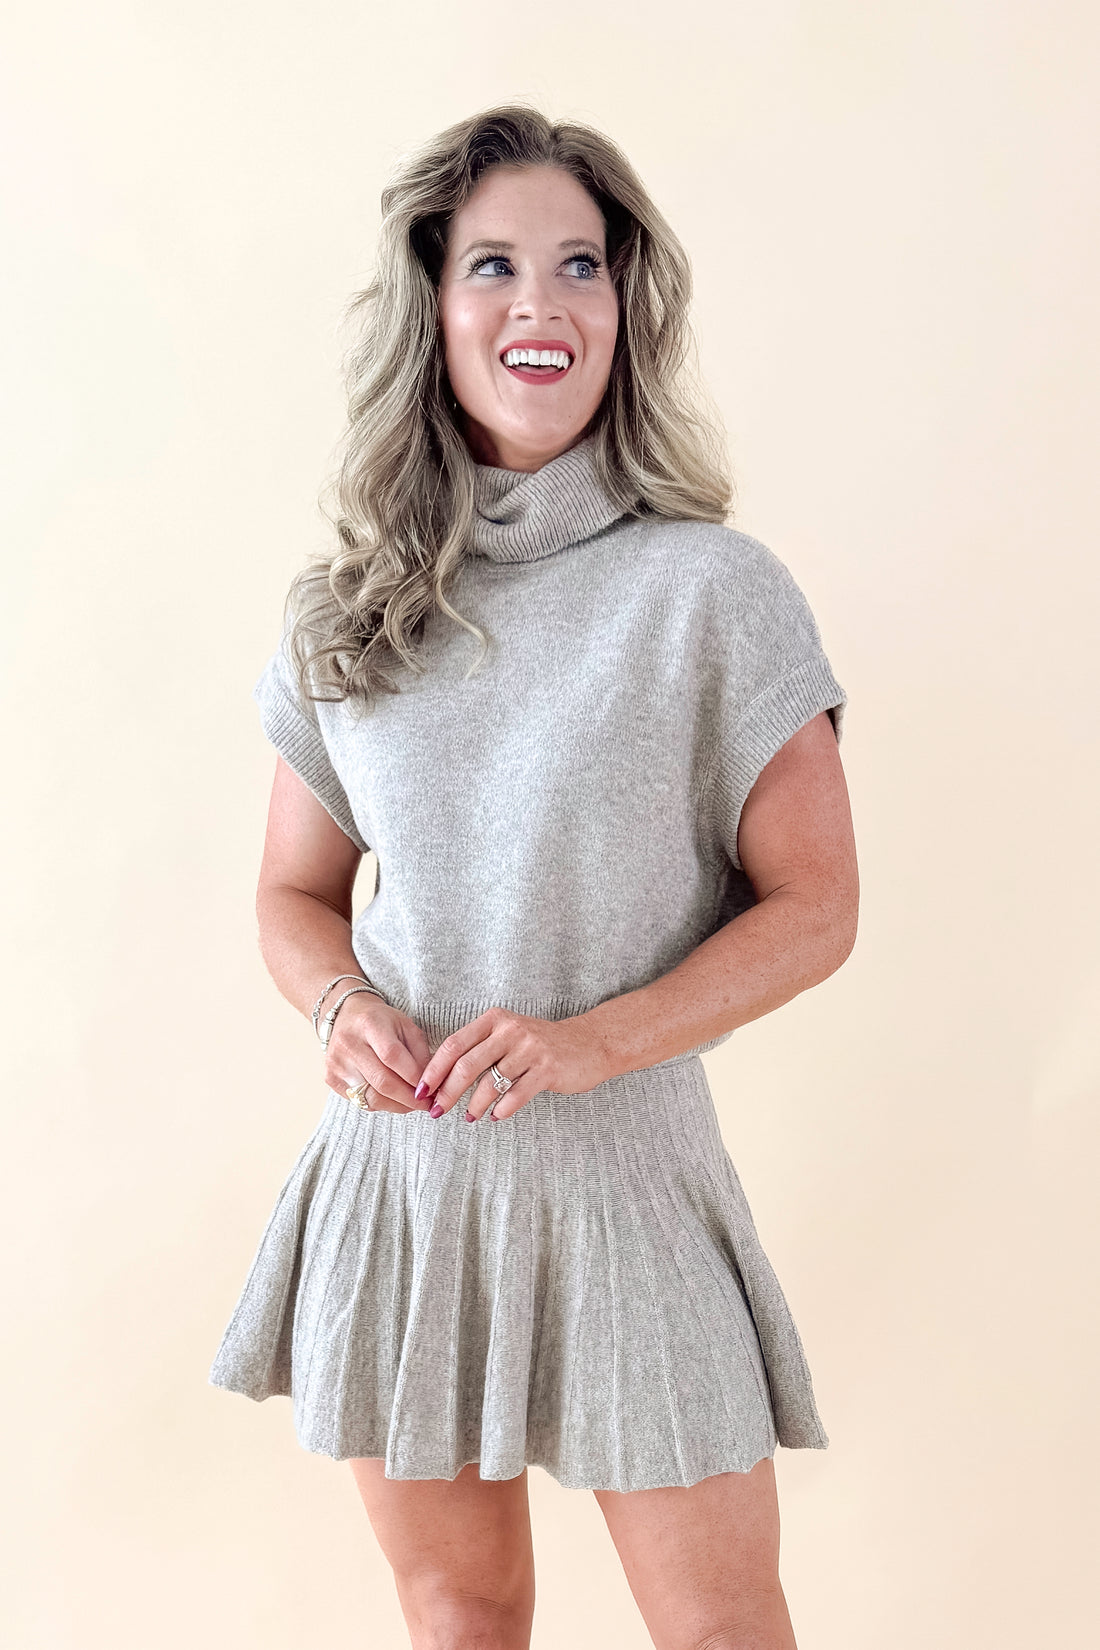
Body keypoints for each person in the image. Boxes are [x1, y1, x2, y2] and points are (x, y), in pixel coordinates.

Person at [209, 103, 859, 1650]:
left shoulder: (713, 593)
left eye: (581, 264)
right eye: (492, 264)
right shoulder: (349, 611)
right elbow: (291, 896)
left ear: (628, 306)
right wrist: (340, 1003)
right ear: (432, 307)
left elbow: (819, 906)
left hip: (631, 1180)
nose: (540, 303)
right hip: (407, 1188)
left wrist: (587, 1045)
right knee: (460, 1606)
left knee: (720, 1627)